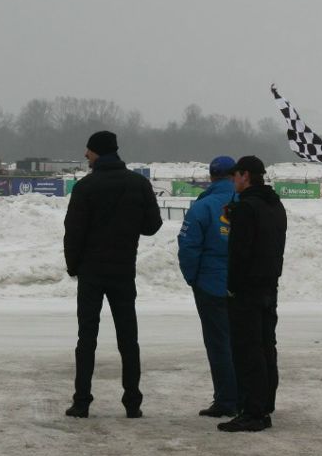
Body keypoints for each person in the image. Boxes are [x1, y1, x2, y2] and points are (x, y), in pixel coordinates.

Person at [63, 130, 163, 419]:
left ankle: (82, 401)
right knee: (128, 339)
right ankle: (133, 402)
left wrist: (74, 267)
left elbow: (74, 232)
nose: (85, 155)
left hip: (92, 273)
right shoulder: (138, 184)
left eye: (89, 150)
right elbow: (152, 226)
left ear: (98, 152)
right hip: (122, 271)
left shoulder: (86, 187)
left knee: (87, 339)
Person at [218, 155, 287, 433]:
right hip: (269, 284)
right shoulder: (275, 205)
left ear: (245, 176)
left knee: (247, 350)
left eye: (236, 176)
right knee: (266, 346)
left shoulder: (247, 208)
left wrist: (232, 287)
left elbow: (240, 253)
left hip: (247, 288)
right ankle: (264, 405)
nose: (233, 180)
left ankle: (252, 411)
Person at [177, 155, 238, 418]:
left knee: (219, 344)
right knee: (244, 342)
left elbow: (188, 247)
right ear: (235, 175)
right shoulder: (247, 202)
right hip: (244, 284)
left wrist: (194, 279)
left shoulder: (203, 206)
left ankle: (226, 399)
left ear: (211, 177)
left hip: (211, 285)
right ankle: (248, 396)